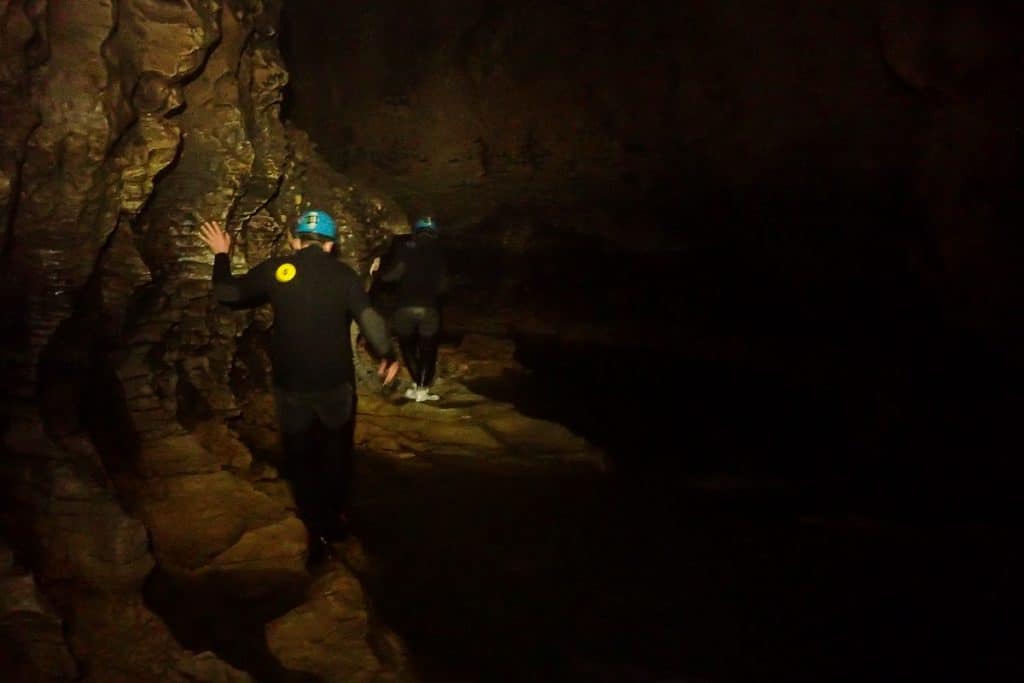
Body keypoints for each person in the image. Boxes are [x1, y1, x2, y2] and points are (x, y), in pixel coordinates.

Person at [198, 211, 399, 562]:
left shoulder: (277, 270)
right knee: (337, 452)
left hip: (291, 384)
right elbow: (369, 318)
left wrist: (221, 254)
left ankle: (310, 523)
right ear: (331, 244)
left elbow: (227, 293)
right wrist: (387, 354)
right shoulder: (344, 276)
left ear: (295, 240)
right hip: (335, 384)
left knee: (301, 452)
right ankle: (334, 520)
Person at [370, 216, 447, 402]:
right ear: (434, 233)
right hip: (429, 308)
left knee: (407, 347)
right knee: (428, 350)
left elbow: (393, 276)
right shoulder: (439, 252)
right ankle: (422, 389)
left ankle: (416, 385)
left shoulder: (405, 249)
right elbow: (443, 286)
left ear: (416, 231)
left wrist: (376, 273)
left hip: (405, 307)